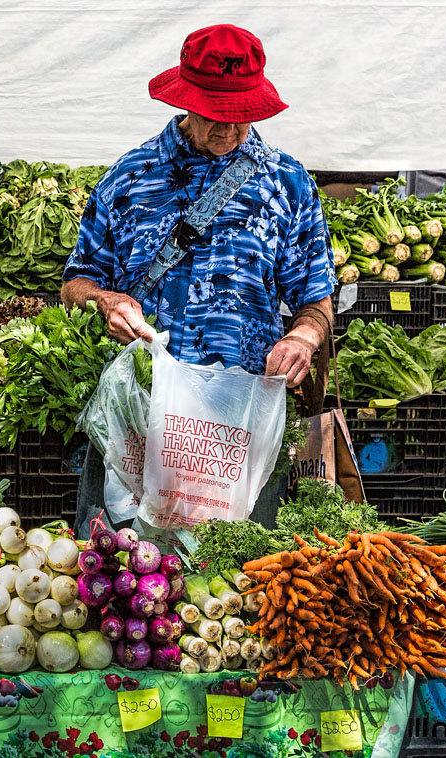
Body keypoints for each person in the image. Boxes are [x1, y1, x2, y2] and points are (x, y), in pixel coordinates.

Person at [62, 24, 336, 537]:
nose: (230, 131)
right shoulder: (130, 176)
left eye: (243, 115)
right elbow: (77, 280)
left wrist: (304, 336)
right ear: (186, 100)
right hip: (139, 416)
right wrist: (104, 300)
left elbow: (316, 299)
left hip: (238, 425)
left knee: (234, 583)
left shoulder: (288, 182)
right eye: (217, 115)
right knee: (117, 577)